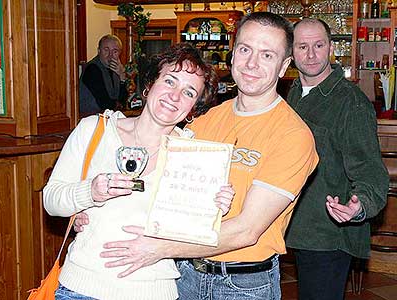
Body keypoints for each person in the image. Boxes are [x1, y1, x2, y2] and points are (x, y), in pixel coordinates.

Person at [90, 12, 319, 300]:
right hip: (184, 274)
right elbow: (155, 181)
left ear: (284, 65)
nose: (251, 64)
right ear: (233, 54)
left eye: (267, 55)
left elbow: (246, 230)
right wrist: (93, 210)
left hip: (243, 285)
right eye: (245, 50)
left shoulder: (293, 135)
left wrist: (160, 247)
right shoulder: (204, 120)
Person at [43, 43, 235, 300]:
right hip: (81, 288)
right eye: (169, 81)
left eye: (189, 92)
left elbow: (194, 234)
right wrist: (90, 191)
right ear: (149, 85)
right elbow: (52, 201)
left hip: (153, 291)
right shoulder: (94, 130)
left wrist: (213, 211)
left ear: (193, 109)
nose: (175, 96)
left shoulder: (195, 157)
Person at [285, 18, 389, 300]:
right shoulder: (292, 93)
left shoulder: (350, 102)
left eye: (318, 45)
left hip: (329, 233)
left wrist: (359, 207)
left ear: (330, 47)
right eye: (302, 46)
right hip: (297, 228)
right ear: (291, 52)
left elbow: (370, 171)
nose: (310, 54)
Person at [79, 34, 128, 116]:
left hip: (107, 118)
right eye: (106, 50)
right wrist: (118, 104)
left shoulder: (115, 69)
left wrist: (122, 77)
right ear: (99, 51)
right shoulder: (92, 69)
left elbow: (123, 101)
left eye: (115, 51)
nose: (110, 55)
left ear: (120, 53)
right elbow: (105, 104)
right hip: (90, 119)